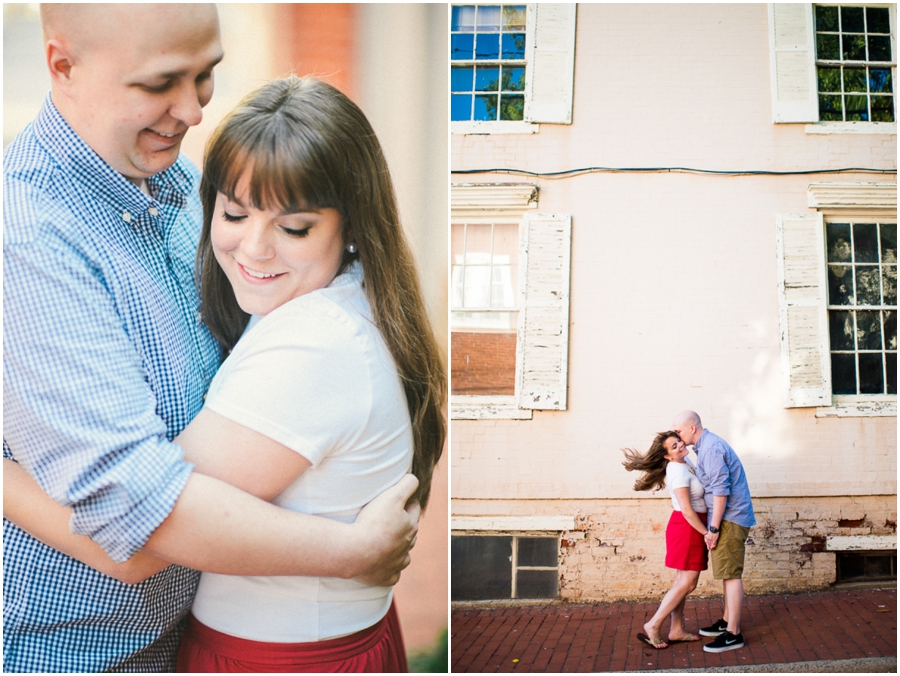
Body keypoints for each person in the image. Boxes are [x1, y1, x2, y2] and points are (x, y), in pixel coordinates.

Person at [3, 5, 421, 672]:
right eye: (160, 83)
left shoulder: (176, 180)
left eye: (205, 75)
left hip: (193, 634)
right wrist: (348, 551)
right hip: (76, 651)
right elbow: (132, 523)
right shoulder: (28, 239)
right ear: (63, 65)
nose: (194, 111)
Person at [672, 410, 755, 653]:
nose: (676, 435)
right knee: (726, 572)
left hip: (729, 519)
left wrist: (714, 528)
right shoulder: (705, 446)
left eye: (678, 431)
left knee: (731, 575)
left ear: (692, 429)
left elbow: (720, 491)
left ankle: (733, 633)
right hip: (728, 518)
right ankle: (727, 622)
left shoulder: (709, 449)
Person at [623, 431, 709, 650]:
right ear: (667, 457)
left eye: (678, 441)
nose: (680, 445)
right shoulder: (677, 471)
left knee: (682, 582)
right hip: (689, 527)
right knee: (688, 583)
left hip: (688, 525)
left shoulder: (684, 461)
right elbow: (688, 511)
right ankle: (653, 624)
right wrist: (706, 533)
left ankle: (676, 629)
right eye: (673, 446)